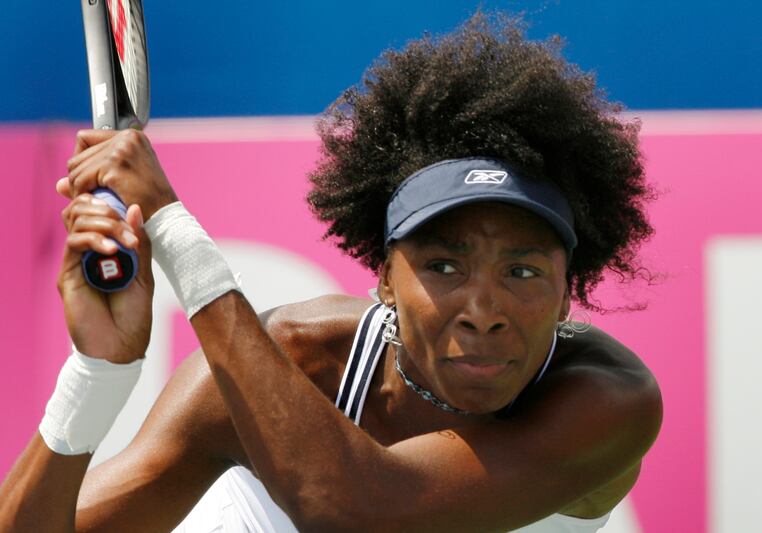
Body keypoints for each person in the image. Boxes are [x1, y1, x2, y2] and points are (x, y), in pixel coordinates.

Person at [0, 13, 661, 532]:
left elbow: (361, 513)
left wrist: (178, 237)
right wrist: (97, 376)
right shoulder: (286, 363)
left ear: (568, 292)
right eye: (444, 264)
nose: (482, 306)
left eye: (521, 271)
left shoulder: (608, 399)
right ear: (383, 279)